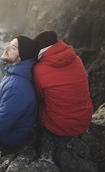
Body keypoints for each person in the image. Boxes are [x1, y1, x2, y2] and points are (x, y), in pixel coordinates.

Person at [33, 30, 93, 161]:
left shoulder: (39, 70)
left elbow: (40, 98)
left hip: (59, 128)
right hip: (84, 120)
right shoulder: (77, 59)